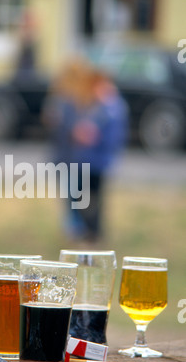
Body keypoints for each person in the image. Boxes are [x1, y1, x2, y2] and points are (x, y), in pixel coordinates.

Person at [43, 58, 128, 246]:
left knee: (83, 198)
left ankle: (84, 231)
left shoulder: (95, 102)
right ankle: (80, 230)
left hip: (82, 159)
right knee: (80, 197)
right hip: (74, 158)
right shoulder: (71, 100)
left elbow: (107, 133)